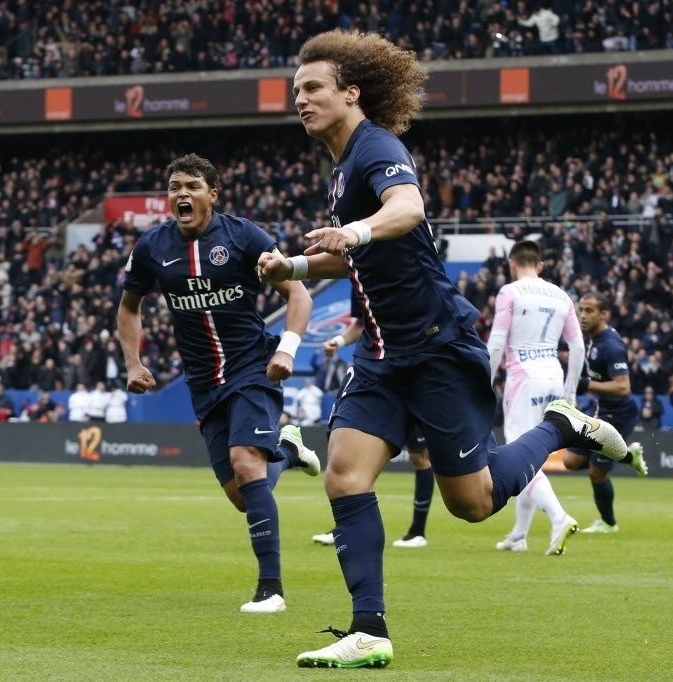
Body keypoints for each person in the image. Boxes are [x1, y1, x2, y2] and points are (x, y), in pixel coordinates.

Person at [259, 30, 628, 669]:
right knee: (345, 474)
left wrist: (352, 229)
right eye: (296, 91)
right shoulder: (342, 165)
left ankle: (559, 426)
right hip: (381, 356)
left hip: (435, 348)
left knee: (474, 504)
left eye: (313, 87)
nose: (301, 99)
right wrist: (291, 264)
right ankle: (368, 629)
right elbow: (357, 264)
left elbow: (406, 208)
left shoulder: (378, 147)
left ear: (352, 92)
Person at [117, 153, 321, 615]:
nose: (181, 194)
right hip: (203, 382)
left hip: (253, 367)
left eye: (191, 185)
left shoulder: (244, 236)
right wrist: (133, 362)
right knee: (243, 496)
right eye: (174, 187)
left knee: (247, 465)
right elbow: (130, 307)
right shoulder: (152, 247)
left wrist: (287, 348)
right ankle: (288, 452)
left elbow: (298, 292)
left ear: (213, 193)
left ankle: (271, 590)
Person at [489, 240, 589, 556]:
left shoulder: (509, 292)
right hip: (554, 378)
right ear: (541, 265)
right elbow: (577, 347)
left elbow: (495, 343)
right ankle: (519, 534)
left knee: (520, 457)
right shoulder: (561, 296)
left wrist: (484, 383)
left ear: (512, 263)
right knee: (533, 455)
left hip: (523, 379)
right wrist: (571, 392)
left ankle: (559, 518)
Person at [311, 311, 436, 549]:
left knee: (421, 458)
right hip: (377, 378)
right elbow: (361, 323)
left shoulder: (410, 279)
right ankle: (346, 528)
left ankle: (417, 531)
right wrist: (338, 341)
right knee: (361, 460)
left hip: (415, 376)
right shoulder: (359, 276)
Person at [565, 292, 648, 535]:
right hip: (602, 410)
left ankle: (608, 523)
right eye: (581, 309)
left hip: (619, 414)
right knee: (571, 461)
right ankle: (625, 457)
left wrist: (586, 385)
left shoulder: (610, 345)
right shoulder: (591, 339)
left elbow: (623, 387)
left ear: (603, 314)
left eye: (589, 310)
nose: (583, 315)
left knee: (596, 473)